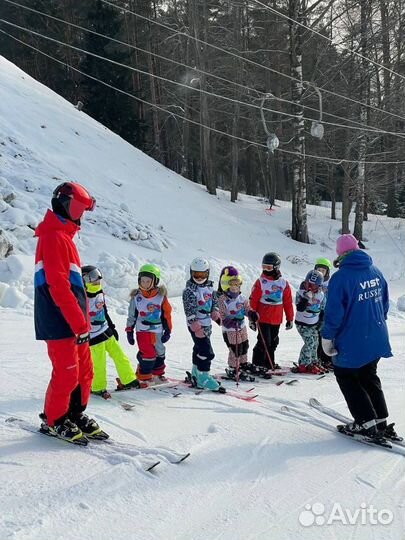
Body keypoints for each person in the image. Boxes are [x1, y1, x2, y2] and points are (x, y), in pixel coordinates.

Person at [34, 182, 107, 444]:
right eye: (80, 209)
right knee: (66, 372)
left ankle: (73, 414)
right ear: (66, 205)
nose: (81, 216)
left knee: (85, 372)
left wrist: (82, 322)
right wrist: (79, 322)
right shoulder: (53, 236)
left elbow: (75, 289)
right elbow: (58, 286)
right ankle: (54, 420)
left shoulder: (64, 237)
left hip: (76, 321)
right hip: (59, 321)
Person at [321, 234, 396, 440]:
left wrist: (327, 338)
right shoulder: (375, 271)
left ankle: (365, 423)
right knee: (369, 375)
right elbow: (385, 304)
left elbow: (334, 313)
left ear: (340, 254)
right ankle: (380, 420)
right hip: (377, 336)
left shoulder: (341, 277)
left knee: (347, 376)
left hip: (353, 340)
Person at [82, 265, 139, 399]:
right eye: (92, 279)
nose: (96, 282)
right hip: (93, 336)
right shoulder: (82, 298)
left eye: (98, 279)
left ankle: (129, 379)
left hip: (106, 331)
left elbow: (104, 311)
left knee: (120, 356)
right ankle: (98, 387)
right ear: (83, 281)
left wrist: (112, 327)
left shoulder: (100, 293)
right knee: (99, 363)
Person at [125, 264, 172, 384]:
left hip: (157, 330)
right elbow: (132, 315)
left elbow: (166, 314)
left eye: (148, 281)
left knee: (160, 352)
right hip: (142, 330)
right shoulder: (136, 297)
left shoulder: (161, 296)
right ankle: (143, 375)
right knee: (148, 354)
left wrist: (168, 330)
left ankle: (157, 374)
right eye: (142, 281)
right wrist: (129, 330)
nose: (144, 284)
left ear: (155, 281)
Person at [182, 257, 223, 392]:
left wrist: (215, 312)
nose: (199, 278)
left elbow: (214, 302)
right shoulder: (190, 291)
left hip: (207, 324)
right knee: (206, 351)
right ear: (191, 273)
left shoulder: (209, 288)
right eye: (196, 275)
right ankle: (203, 377)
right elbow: (190, 310)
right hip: (197, 326)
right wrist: (196, 325)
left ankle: (195, 372)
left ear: (208, 273)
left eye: (203, 275)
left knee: (199, 348)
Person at [249, 252, 294, 371]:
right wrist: (251, 315)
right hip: (262, 317)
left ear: (276, 267)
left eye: (268, 267)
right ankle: (258, 364)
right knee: (264, 341)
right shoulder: (261, 282)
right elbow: (253, 300)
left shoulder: (283, 283)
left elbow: (288, 302)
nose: (266, 270)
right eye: (264, 267)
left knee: (273, 342)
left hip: (276, 318)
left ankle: (269, 363)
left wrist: (290, 318)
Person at [217, 266, 253, 381]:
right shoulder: (223, 299)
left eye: (237, 284)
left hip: (241, 326)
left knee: (244, 345)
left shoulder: (241, 298)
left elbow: (246, 308)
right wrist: (228, 321)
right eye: (232, 284)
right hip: (231, 329)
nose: (235, 287)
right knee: (235, 348)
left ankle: (243, 364)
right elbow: (221, 315)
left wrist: (251, 313)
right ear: (226, 285)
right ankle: (233, 367)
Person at [293, 269, 326, 374]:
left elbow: (322, 310)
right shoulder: (301, 293)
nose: (311, 287)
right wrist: (306, 298)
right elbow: (300, 308)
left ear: (319, 286)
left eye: (314, 285)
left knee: (315, 342)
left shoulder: (321, 296)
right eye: (309, 284)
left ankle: (313, 362)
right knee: (309, 343)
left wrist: (321, 322)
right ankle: (304, 363)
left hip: (313, 324)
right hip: (302, 324)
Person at [314, 257, 333, 369]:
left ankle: (327, 359)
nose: (320, 273)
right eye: (318, 270)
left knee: (326, 336)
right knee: (316, 336)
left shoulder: (331, 282)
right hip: (316, 313)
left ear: (327, 272)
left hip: (328, 312)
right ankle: (317, 358)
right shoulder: (313, 280)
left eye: (323, 270)